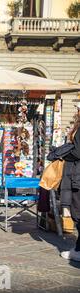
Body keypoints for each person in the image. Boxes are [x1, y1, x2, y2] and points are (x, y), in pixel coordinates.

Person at [60, 105, 80, 262]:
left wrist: (64, 153)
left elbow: (78, 151)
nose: (75, 111)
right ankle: (78, 249)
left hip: (77, 176)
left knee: (77, 214)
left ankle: (78, 251)